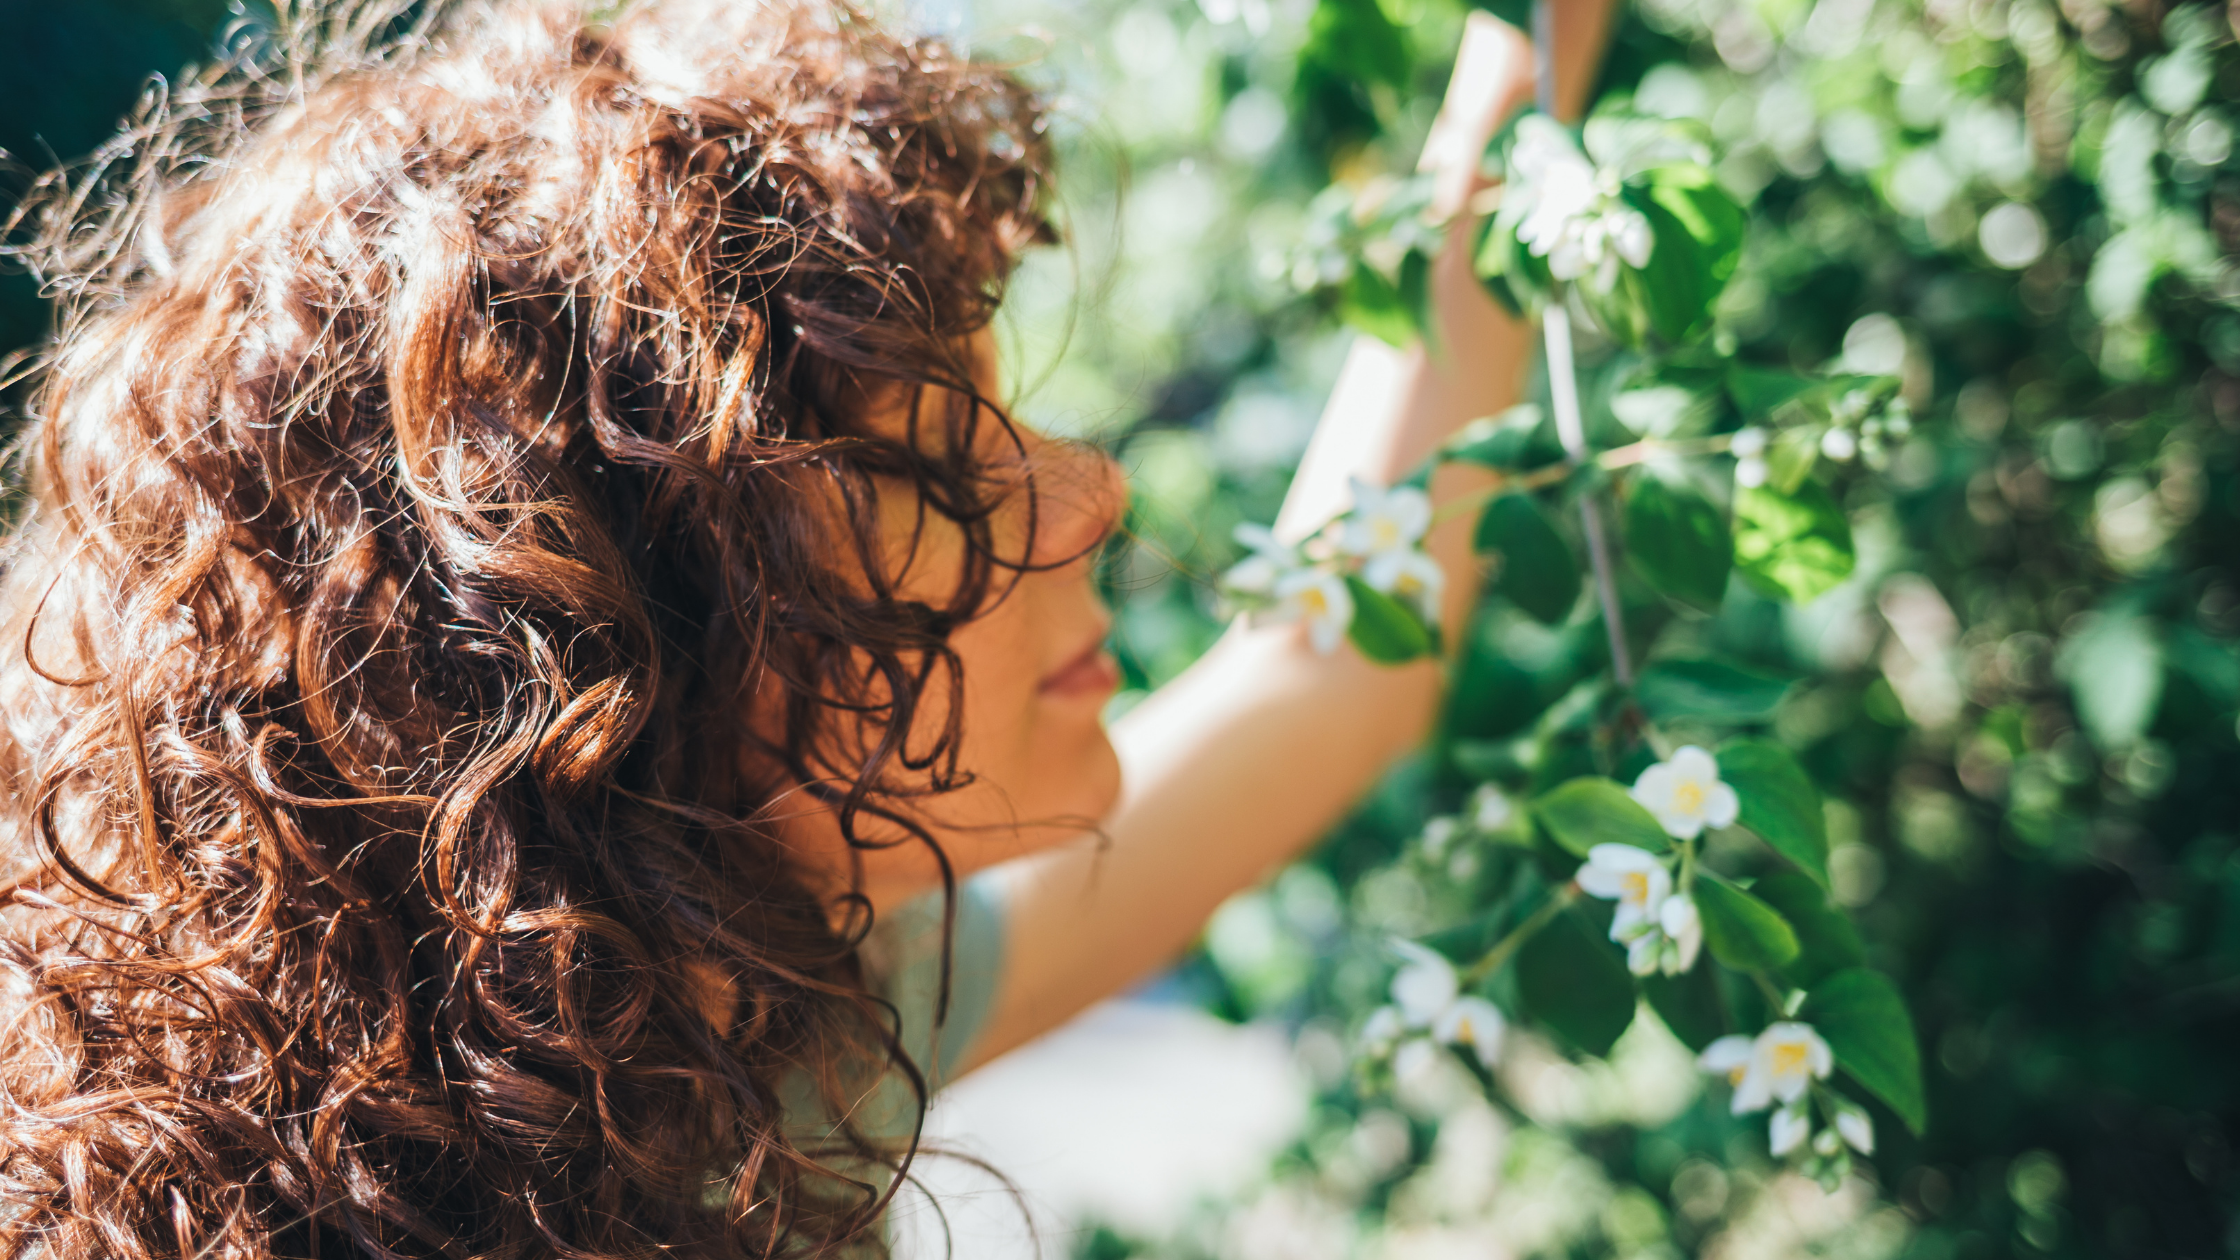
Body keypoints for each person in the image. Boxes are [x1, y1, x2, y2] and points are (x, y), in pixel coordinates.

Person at [0, 0, 1609, 1255]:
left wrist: (1527, 67)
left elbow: (1327, 677)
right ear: (602, 669)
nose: (1096, 497)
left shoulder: (754, 1031)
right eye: (936, 476)